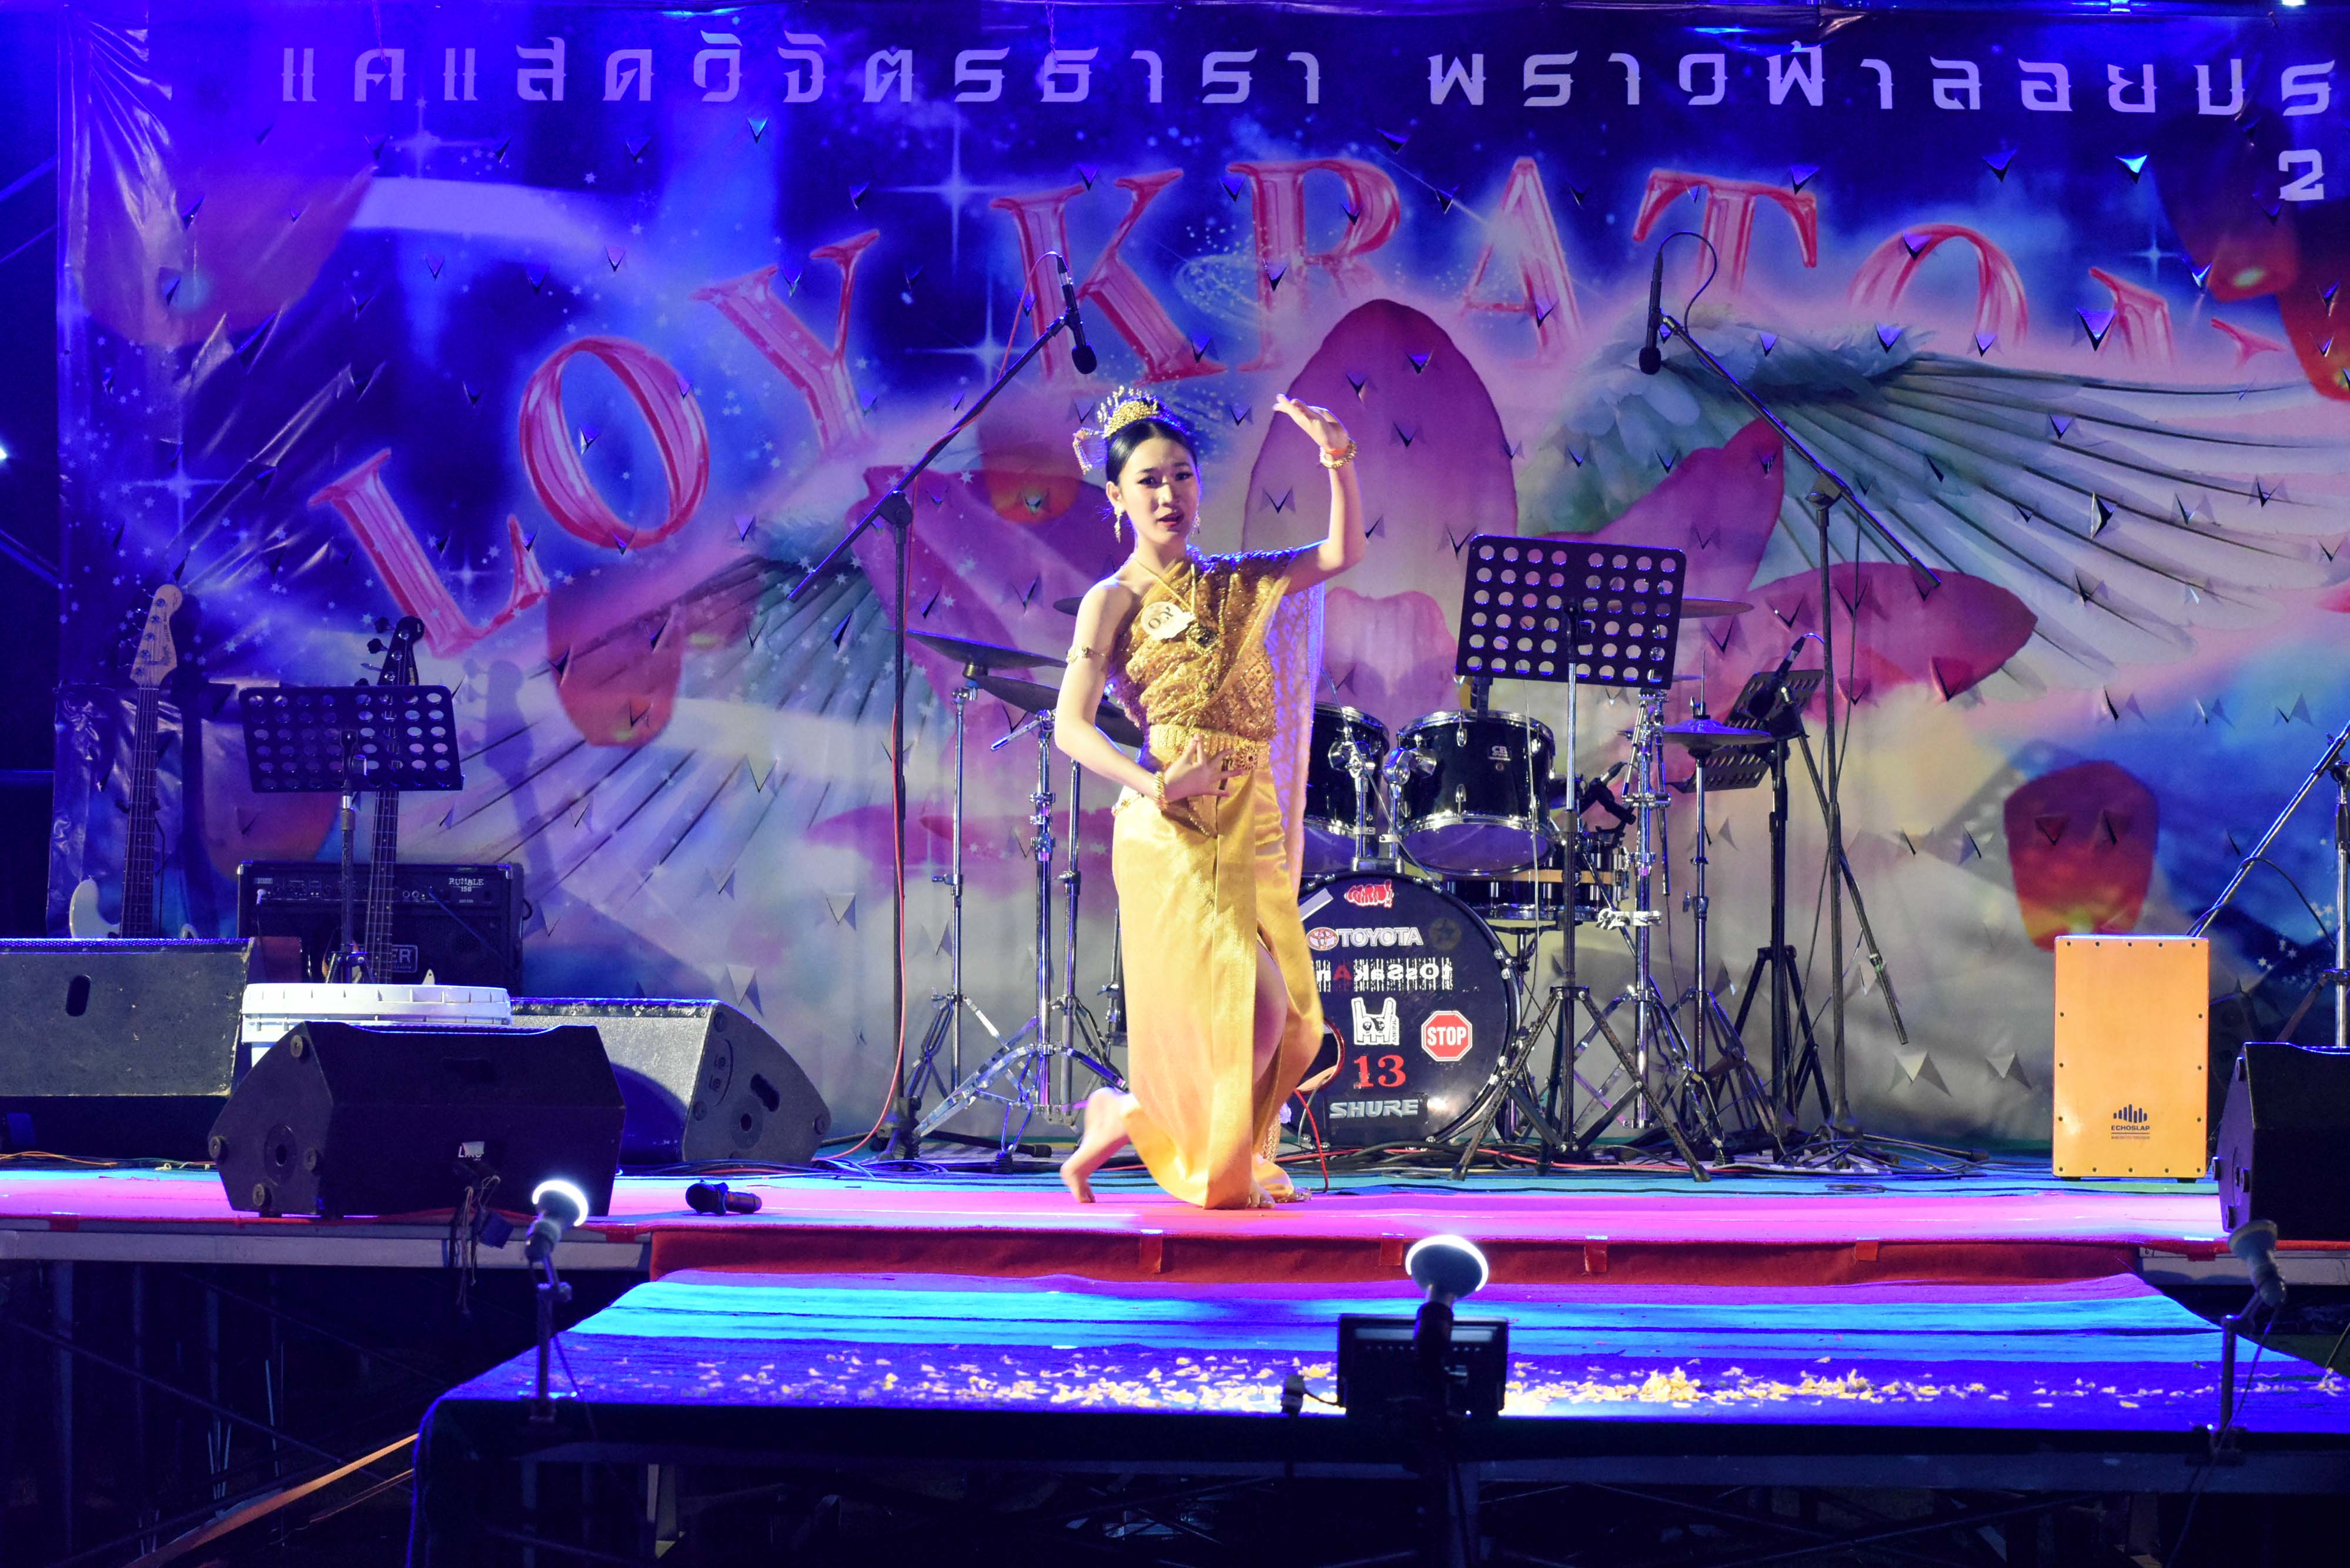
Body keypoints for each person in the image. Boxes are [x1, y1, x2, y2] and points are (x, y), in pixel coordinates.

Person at [1052, 387, 1363, 1209]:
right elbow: (1070, 729)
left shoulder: (1235, 582)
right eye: (1149, 481)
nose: (1169, 495)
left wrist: (1337, 457)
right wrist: (1159, 784)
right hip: (1172, 819)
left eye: (1182, 477)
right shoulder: (1111, 600)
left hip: (1249, 814)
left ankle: (1126, 1116)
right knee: (1250, 1006)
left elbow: (1339, 554)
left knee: (1293, 1021)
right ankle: (1197, 1152)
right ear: (1116, 496)